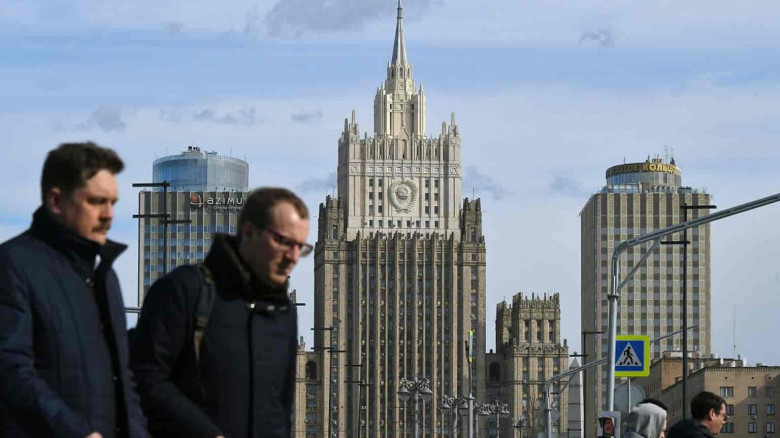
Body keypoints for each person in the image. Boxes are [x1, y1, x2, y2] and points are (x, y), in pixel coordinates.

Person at [131, 187, 311, 438]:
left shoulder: (283, 313)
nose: (293, 257)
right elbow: (146, 378)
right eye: (283, 242)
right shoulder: (185, 289)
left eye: (301, 247)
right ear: (249, 232)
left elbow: (280, 409)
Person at [0, 142, 148, 437]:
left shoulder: (105, 276)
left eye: (113, 203)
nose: (108, 214)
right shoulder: (12, 265)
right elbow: (9, 369)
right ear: (56, 201)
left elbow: (123, 378)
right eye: (96, 201)